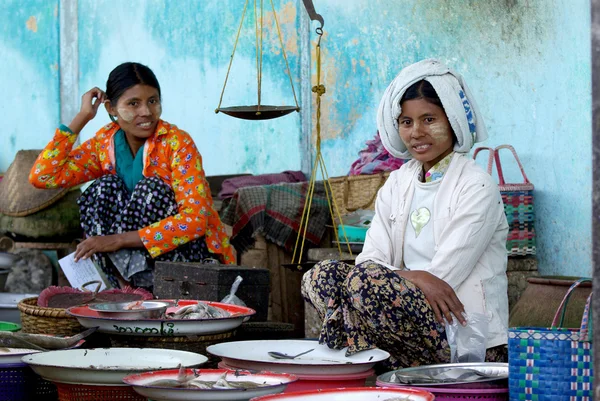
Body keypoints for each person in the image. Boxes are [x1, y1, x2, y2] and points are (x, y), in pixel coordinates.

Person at [302, 59, 509, 369]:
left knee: (364, 281)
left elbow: (441, 280)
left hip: (462, 336)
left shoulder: (476, 185)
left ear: (452, 120)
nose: (416, 132)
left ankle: (357, 362)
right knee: (320, 276)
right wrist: (413, 276)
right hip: (408, 322)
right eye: (407, 121)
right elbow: (370, 260)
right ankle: (359, 358)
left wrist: (404, 278)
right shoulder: (397, 183)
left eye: (429, 119)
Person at [30, 62, 236, 289]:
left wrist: (116, 240)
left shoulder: (177, 143)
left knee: (152, 190)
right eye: (133, 104)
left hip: (184, 262)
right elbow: (44, 176)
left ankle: (149, 289)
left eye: (153, 101)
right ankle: (119, 288)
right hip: (123, 268)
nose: (146, 112)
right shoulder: (105, 144)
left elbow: (195, 221)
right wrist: (83, 116)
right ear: (111, 108)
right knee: (102, 188)